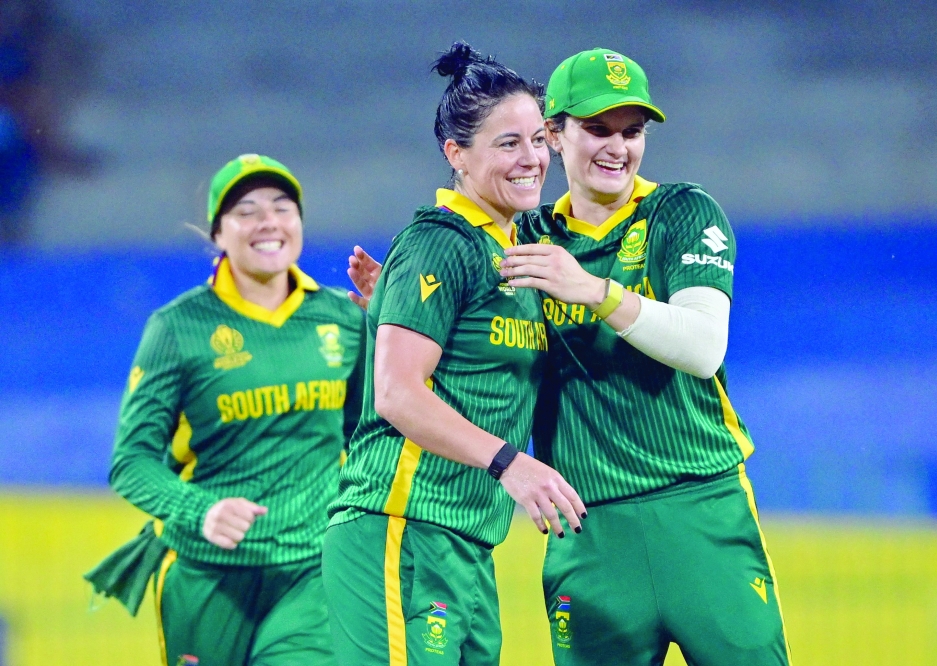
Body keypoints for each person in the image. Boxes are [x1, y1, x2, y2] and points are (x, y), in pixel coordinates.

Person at [348, 49, 792, 665]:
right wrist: (402, 310)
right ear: (555, 137)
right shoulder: (522, 240)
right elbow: (471, 354)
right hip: (583, 530)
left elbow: (701, 346)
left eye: (632, 132)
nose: (618, 148)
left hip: (699, 512)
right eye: (596, 129)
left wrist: (595, 290)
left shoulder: (681, 213)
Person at [323, 42, 586, 666]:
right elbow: (396, 393)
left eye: (538, 139)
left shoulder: (511, 249)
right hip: (400, 525)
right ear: (456, 154)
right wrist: (510, 465)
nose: (533, 160)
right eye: (507, 144)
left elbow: (461, 361)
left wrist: (396, 309)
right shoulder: (441, 243)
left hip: (466, 539)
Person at [85, 154, 364, 666]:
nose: (268, 223)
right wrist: (202, 511)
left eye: (283, 207)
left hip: (311, 569)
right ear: (217, 233)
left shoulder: (343, 319)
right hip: (205, 572)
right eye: (246, 211)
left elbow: (366, 435)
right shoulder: (177, 328)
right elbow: (131, 462)